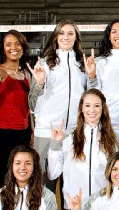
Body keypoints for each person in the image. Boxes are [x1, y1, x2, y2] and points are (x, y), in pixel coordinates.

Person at [48, 89, 119, 210]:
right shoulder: (68, 137)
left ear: (103, 108)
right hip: (73, 207)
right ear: (81, 108)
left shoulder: (113, 139)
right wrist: (55, 145)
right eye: (87, 105)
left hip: (103, 208)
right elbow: (53, 173)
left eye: (96, 106)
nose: (92, 110)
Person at [28, 19, 87, 191]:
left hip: (74, 134)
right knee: (44, 188)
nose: (66, 37)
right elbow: (32, 104)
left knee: (72, 189)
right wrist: (39, 84)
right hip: (47, 132)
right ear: (55, 37)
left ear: (76, 37)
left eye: (70, 33)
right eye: (62, 33)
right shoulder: (45, 64)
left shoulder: (82, 65)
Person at [0, 30, 33, 200]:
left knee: (21, 182)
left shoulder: (26, 74)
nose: (13, 48)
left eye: (17, 44)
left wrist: (31, 132)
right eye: (8, 44)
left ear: (23, 48)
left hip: (22, 134)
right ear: (3, 49)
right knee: (1, 182)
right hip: (1, 134)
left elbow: (28, 109)